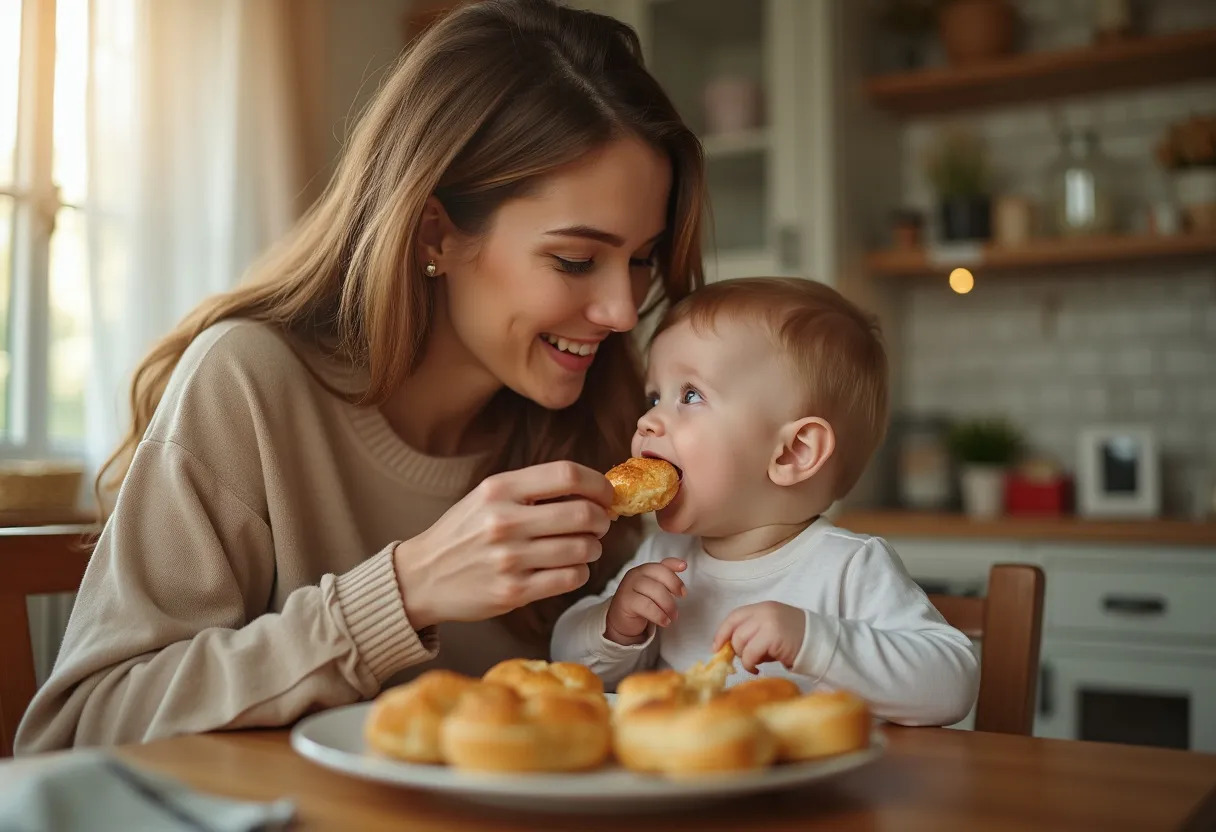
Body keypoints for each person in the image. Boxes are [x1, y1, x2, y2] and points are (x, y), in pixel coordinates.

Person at [16, 0, 706, 753]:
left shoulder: (607, 417)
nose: (619, 309)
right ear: (435, 233)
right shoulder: (249, 385)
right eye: (575, 259)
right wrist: (402, 593)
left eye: (642, 257)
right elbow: (80, 729)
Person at [551, 278, 979, 726]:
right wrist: (615, 626)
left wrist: (815, 641)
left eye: (691, 395)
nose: (647, 420)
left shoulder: (847, 568)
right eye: (654, 396)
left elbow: (952, 684)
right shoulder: (663, 556)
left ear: (793, 452)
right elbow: (566, 666)